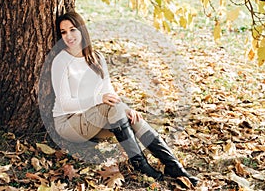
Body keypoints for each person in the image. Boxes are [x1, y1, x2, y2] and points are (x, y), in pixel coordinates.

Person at [51, 11, 199, 187]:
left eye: (72, 29)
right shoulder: (61, 62)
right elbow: (65, 103)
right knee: (112, 109)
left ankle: (173, 165)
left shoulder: (96, 57)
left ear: (82, 29)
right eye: (63, 32)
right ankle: (141, 165)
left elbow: (108, 91)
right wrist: (99, 98)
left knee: (131, 116)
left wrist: (127, 109)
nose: (68, 36)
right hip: (68, 123)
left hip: (93, 121)